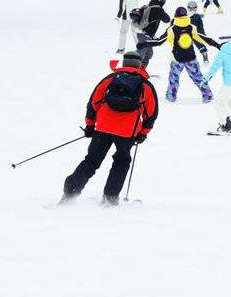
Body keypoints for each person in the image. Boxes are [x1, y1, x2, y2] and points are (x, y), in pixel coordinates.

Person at [61, 49, 159, 205]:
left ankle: (70, 194)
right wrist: (142, 133)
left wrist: (90, 125)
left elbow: (94, 103)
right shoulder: (145, 85)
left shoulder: (110, 79)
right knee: (121, 162)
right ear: (139, 65)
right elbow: (151, 113)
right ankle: (110, 198)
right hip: (127, 132)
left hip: (103, 128)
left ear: (124, 63)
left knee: (91, 161)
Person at [165, 8, 214, 104]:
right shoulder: (192, 27)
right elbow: (200, 38)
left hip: (176, 59)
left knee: (174, 77)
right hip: (191, 58)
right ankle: (207, 95)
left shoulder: (172, 29)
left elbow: (168, 41)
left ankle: (171, 95)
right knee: (198, 77)